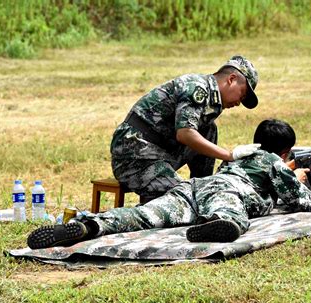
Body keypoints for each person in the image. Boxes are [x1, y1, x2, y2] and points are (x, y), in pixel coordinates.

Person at [27, 119, 311, 249]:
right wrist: (300, 177)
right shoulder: (272, 161)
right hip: (227, 191)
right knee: (231, 215)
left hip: (193, 188)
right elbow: (302, 202)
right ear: (284, 152)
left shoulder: (240, 155)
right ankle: (220, 225)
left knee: (143, 216)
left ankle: (92, 225)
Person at [111, 55, 261, 203]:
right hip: (133, 154)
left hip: (157, 153)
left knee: (209, 130)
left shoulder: (212, 101)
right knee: (183, 199)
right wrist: (229, 155)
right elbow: (185, 134)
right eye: (242, 95)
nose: (239, 103)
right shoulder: (197, 87)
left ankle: (203, 189)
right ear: (232, 79)